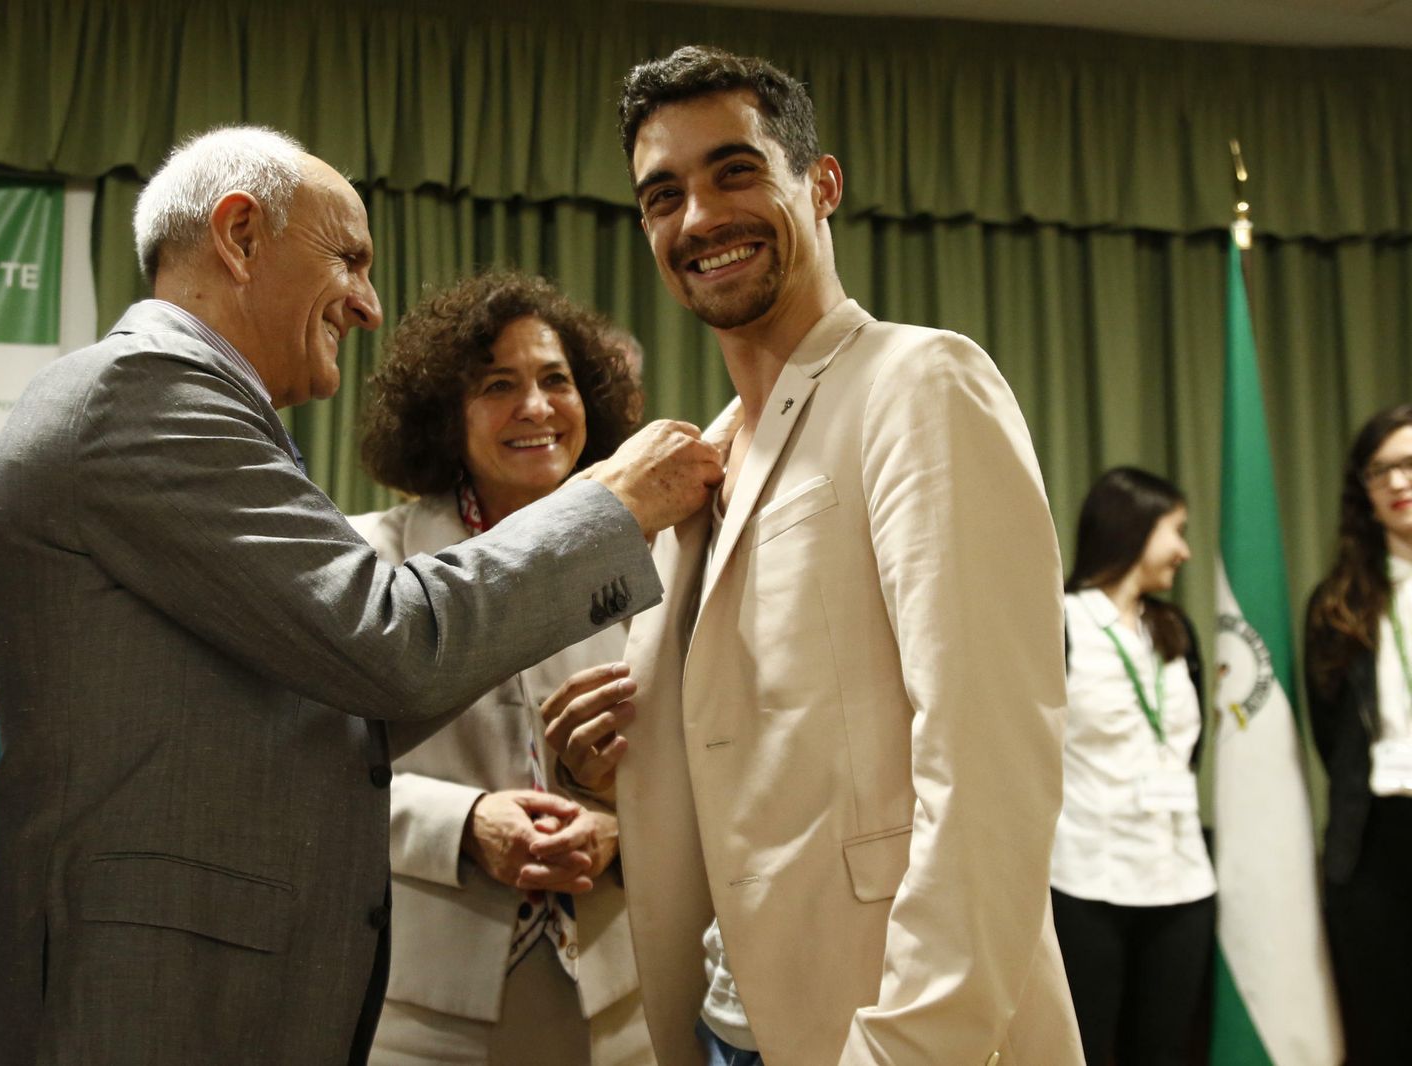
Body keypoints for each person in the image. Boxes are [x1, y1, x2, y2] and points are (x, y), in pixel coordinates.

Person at [0, 126, 721, 1066]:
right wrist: (612, 506)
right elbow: (391, 646)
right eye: (349, 260)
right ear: (240, 236)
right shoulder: (148, 391)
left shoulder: (185, 406)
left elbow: (317, 716)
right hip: (153, 1001)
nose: (368, 305)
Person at [542, 46, 1082, 1066]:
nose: (699, 217)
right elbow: (760, 761)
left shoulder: (920, 382)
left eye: (734, 172)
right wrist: (611, 777)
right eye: (664, 196)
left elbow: (989, 759)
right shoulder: (699, 465)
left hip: (886, 1025)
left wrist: (911, 1041)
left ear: (821, 183)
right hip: (723, 1020)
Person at [350, 272, 655, 1066]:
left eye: (556, 380)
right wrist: (462, 824)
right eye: (497, 386)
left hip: (625, 1003)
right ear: (442, 414)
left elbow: (710, 763)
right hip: (424, 1014)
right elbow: (315, 771)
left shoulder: (652, 564)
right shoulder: (367, 562)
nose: (536, 407)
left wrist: (621, 829)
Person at [1052, 468, 1215, 1065]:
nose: (1185, 551)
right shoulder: (1061, 622)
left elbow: (1190, 747)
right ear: (1132, 529)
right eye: (1176, 531)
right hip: (1087, 878)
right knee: (1085, 1049)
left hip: (1182, 876)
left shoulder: (1173, 628)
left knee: (1167, 1049)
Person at [1305, 403, 1412, 1066]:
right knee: (1383, 1031)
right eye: (1380, 471)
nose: (1397, 482)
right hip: (1375, 841)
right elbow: (1331, 735)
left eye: (1409, 464)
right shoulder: (1338, 604)